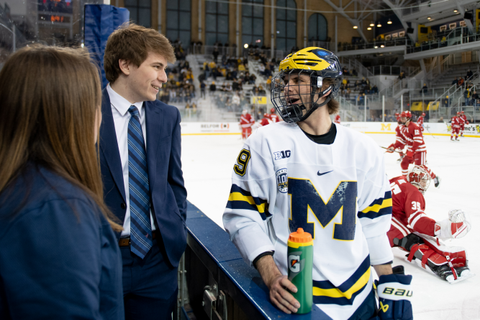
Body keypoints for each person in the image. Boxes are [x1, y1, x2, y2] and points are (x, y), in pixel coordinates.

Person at [223, 47, 413, 319]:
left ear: (325, 88)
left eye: (298, 81)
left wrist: (390, 284)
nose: (288, 88)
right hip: (296, 298)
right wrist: (271, 276)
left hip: (360, 298)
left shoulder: (364, 149)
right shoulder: (264, 143)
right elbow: (243, 217)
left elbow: (373, 225)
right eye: (287, 80)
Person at [0, 45, 123, 318]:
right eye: (96, 104)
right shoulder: (55, 210)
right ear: (72, 115)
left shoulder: (26, 188)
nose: (101, 116)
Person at [101, 23, 187, 319]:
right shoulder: (85, 111)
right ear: (125, 64)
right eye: (157, 67)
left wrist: (175, 231)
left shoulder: (168, 116)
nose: (164, 77)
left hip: (157, 261)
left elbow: (174, 182)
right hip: (102, 256)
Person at [388, 165, 471, 283]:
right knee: (408, 239)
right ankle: (440, 265)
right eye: (422, 181)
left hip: (371, 213)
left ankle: (445, 257)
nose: (424, 184)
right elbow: (417, 221)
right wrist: (441, 228)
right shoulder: (413, 191)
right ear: (415, 179)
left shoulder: (399, 179)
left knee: (414, 234)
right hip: (382, 219)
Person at [389, 111, 441, 187]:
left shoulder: (414, 127)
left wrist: (412, 151)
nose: (401, 120)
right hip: (411, 150)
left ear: (408, 118)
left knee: (420, 166)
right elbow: (402, 141)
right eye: (401, 118)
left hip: (419, 150)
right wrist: (394, 146)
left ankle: (435, 177)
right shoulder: (403, 128)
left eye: (403, 118)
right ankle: (405, 180)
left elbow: (417, 141)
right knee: (404, 163)